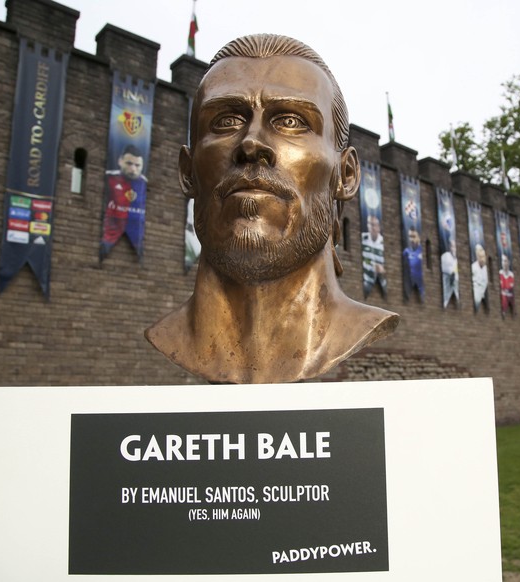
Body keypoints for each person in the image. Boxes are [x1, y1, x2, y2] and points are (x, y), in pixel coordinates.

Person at [146, 34, 399, 384]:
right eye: (225, 121)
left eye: (291, 121)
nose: (251, 143)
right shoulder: (166, 337)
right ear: (188, 172)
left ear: (346, 174)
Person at [101, 144, 147, 259]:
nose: (133, 169)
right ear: (120, 161)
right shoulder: (109, 179)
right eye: (129, 163)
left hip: (137, 242)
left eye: (137, 165)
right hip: (109, 238)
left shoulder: (145, 184)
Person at [361, 214, 387, 297]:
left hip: (381, 280)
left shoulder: (383, 242)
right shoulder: (363, 238)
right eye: (369, 224)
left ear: (378, 227)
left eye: (373, 225)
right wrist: (372, 265)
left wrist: (382, 270)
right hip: (366, 280)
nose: (370, 227)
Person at [402, 227, 424, 300]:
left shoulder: (422, 251)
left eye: (414, 236)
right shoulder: (406, 252)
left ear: (419, 237)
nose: (411, 239)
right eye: (410, 237)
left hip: (421, 287)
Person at [440, 238, 459, 308]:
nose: (454, 249)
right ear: (449, 247)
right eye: (452, 246)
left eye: (455, 247)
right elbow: (445, 268)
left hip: (454, 284)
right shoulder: (445, 256)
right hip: (447, 282)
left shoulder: (456, 259)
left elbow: (456, 273)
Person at [471, 243, 488, 311]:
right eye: (481, 257)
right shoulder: (473, 267)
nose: (482, 259)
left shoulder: (486, 269)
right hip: (476, 295)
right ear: (477, 257)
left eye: (483, 257)